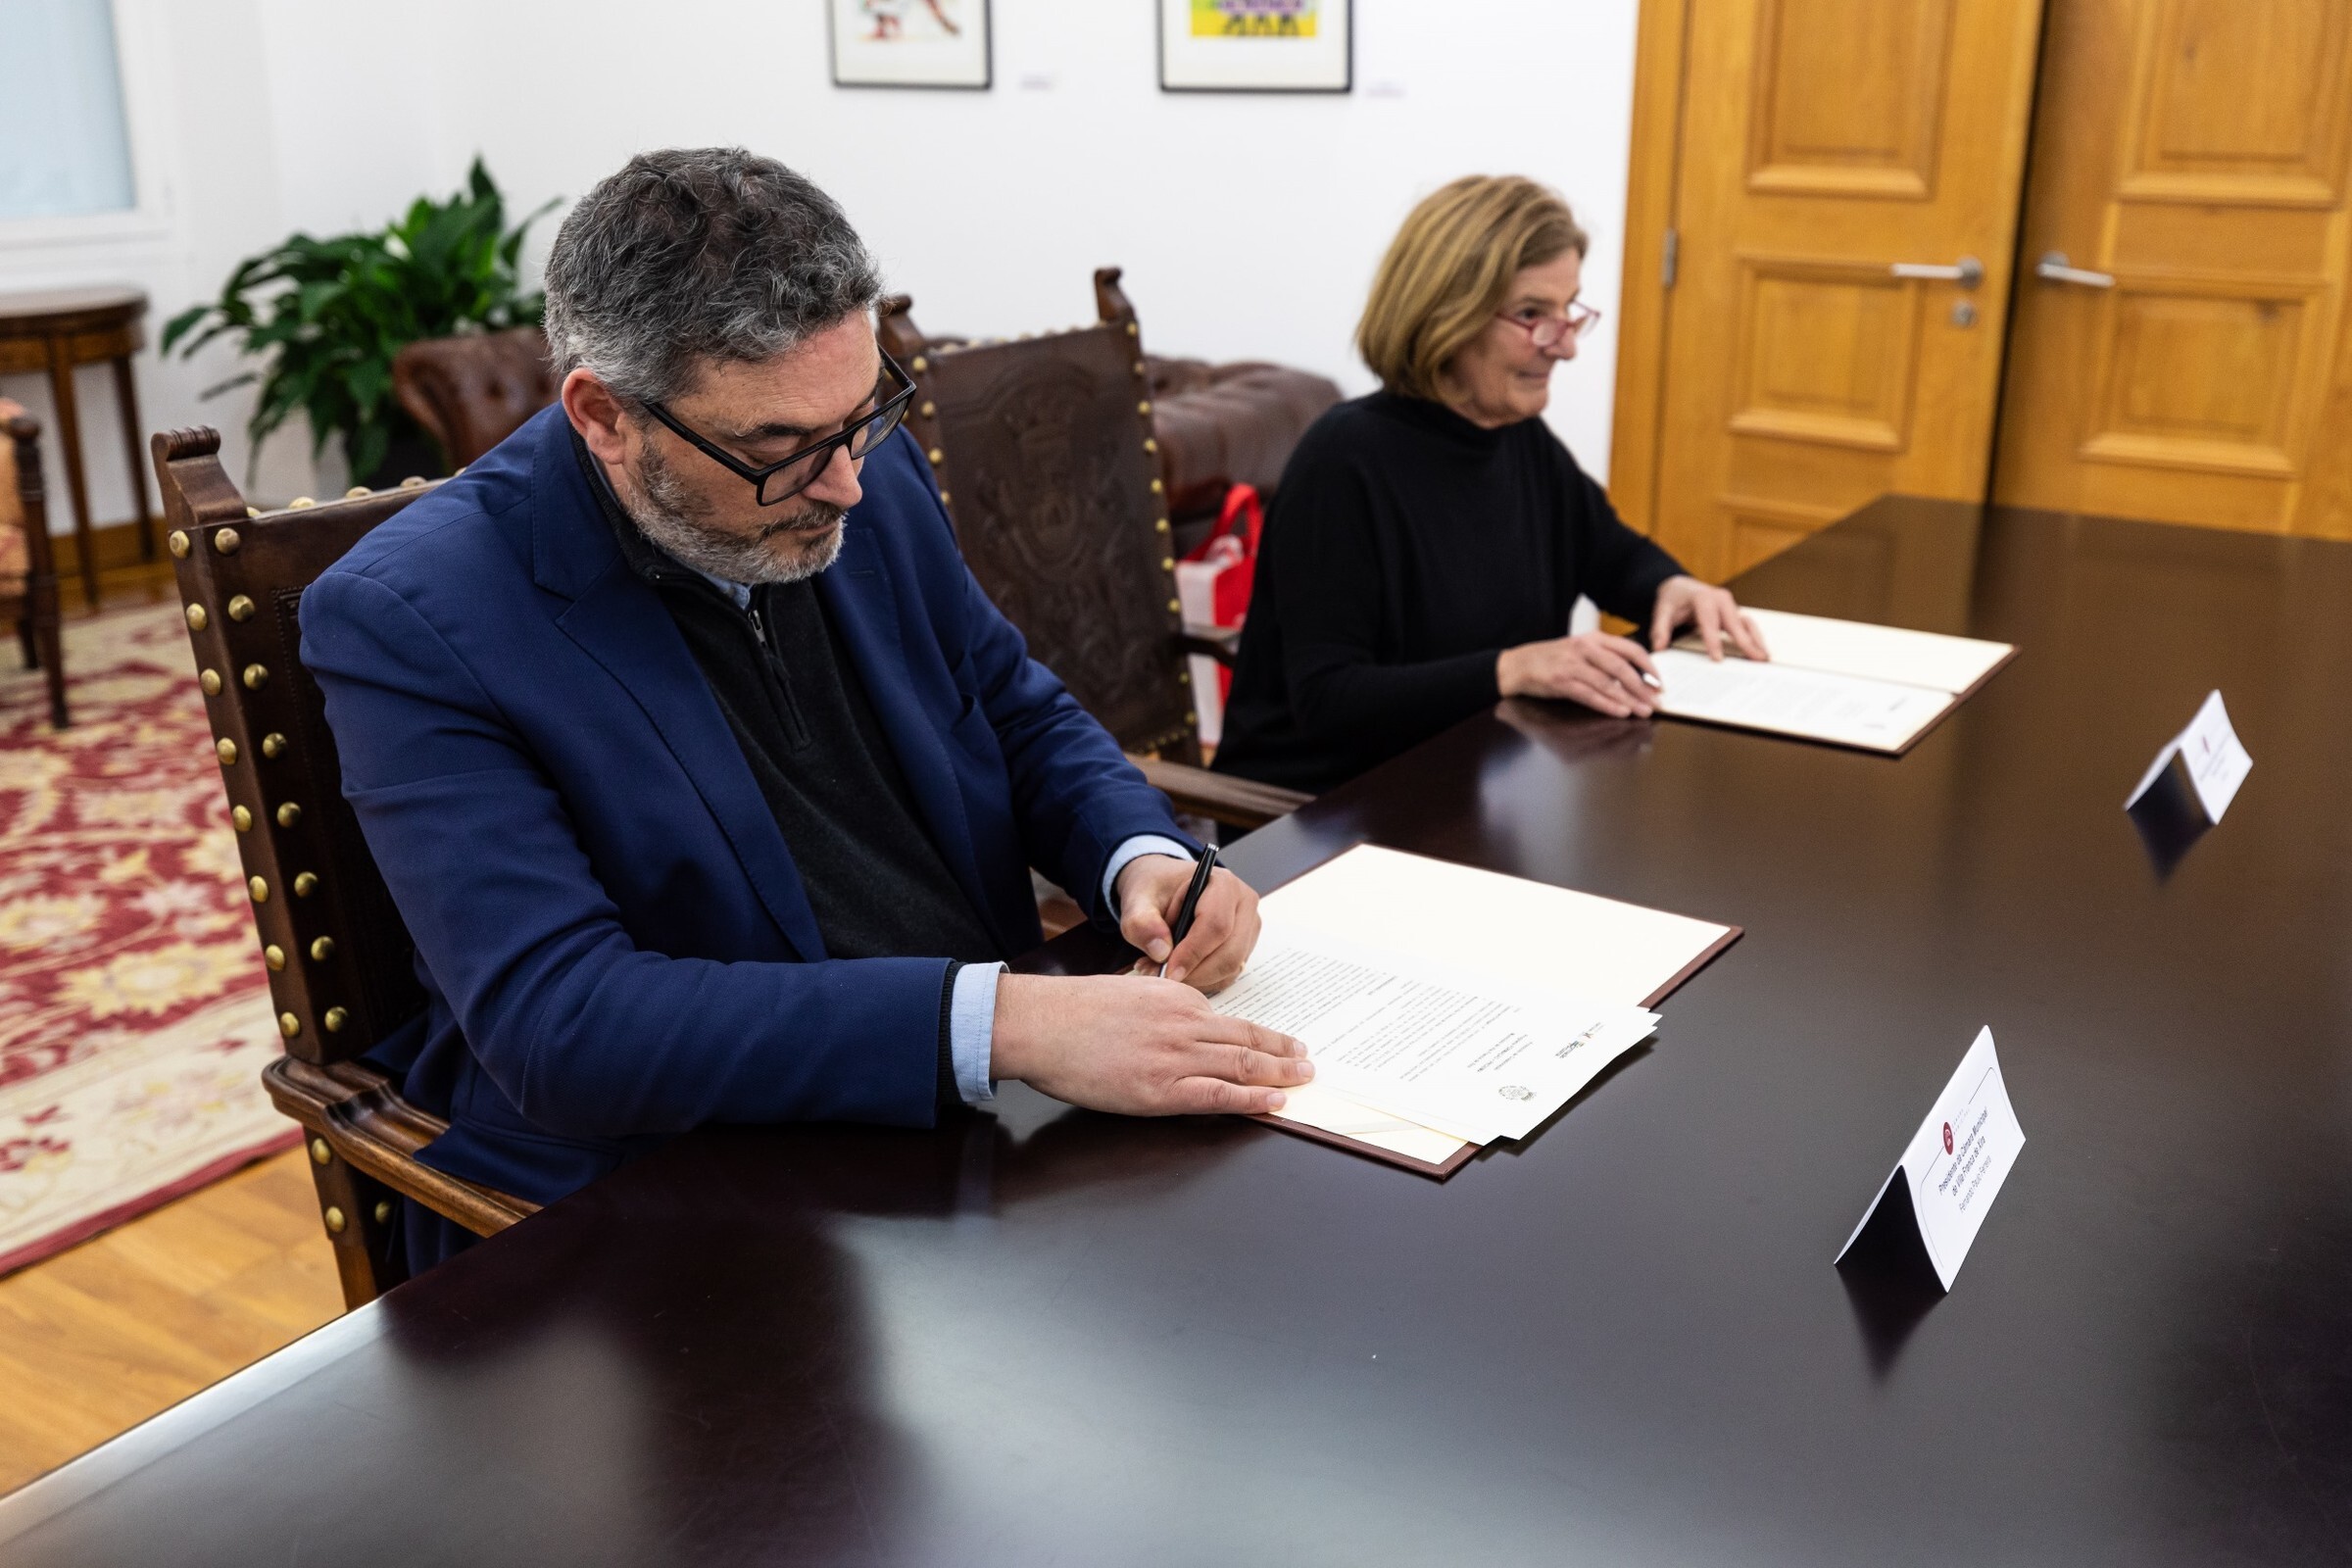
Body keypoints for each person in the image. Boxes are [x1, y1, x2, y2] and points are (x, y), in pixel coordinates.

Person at [301, 149, 1309, 1272]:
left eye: (863, 415)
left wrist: (1138, 855)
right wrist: (1005, 1023)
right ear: (603, 416)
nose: (847, 485)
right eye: (778, 451)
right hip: (683, 1194)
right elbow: (560, 1021)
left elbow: (1009, 702)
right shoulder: (414, 617)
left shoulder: (857, 464)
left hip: (972, 1112)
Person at [1213, 175, 1767, 795]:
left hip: (1471, 784)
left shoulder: (1516, 436)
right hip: (1321, 810)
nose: (1564, 347)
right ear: (1445, 314)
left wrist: (1674, 587)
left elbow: (1612, 555)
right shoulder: (1344, 460)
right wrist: (1513, 669)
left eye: (1569, 310)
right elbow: (1330, 700)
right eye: (1532, 314)